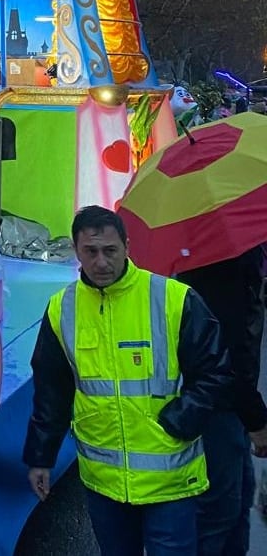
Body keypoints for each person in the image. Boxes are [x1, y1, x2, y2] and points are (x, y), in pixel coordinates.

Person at [23, 206, 232, 556]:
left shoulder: (172, 298)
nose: (101, 262)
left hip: (170, 482)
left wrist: (181, 420)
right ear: (76, 250)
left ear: (127, 247)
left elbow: (217, 371)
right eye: (91, 251)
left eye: (110, 250)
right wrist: (40, 457)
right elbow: (51, 393)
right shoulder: (62, 309)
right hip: (103, 483)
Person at [176, 245, 267, 555]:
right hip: (221, 405)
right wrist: (255, 419)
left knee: (239, 502)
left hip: (230, 403)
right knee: (219, 512)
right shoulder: (224, 258)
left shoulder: (242, 247)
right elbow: (227, 351)